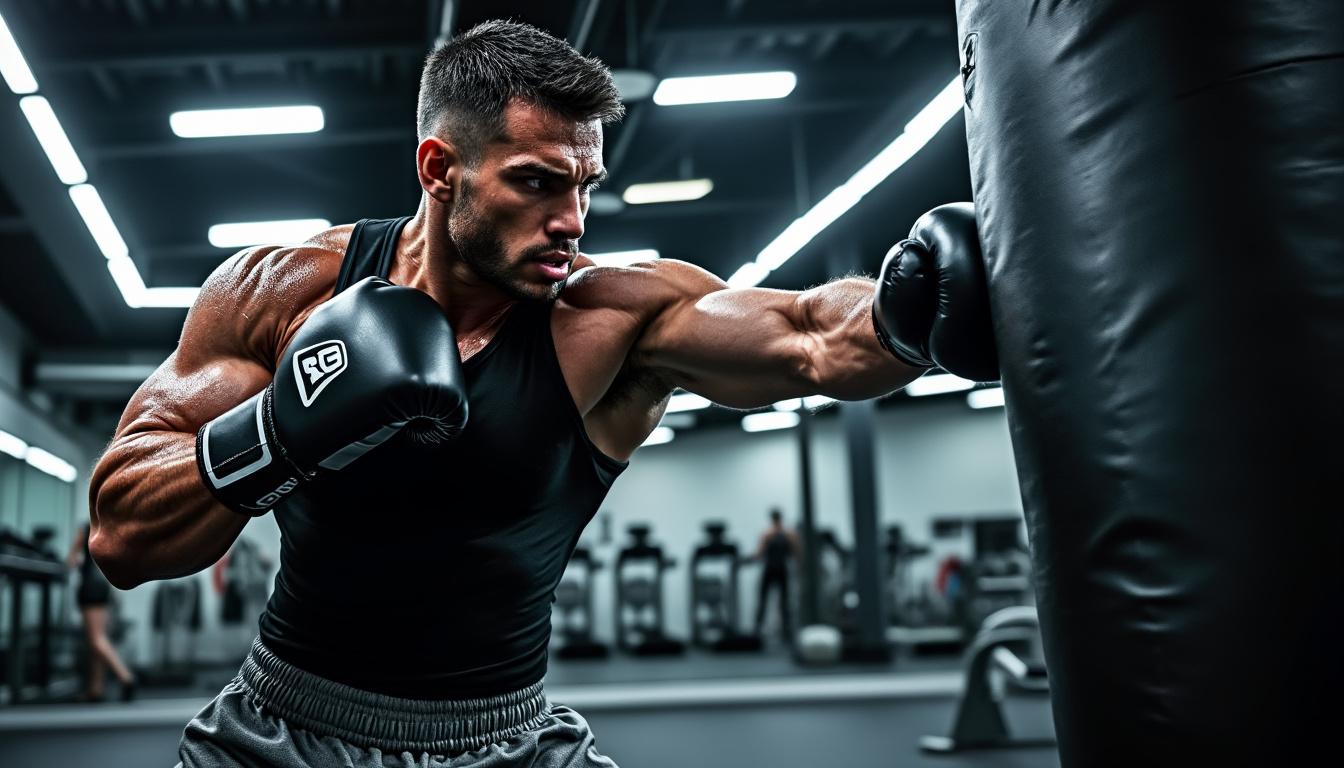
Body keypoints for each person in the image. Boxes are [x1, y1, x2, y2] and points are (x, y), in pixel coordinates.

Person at [86, 20, 988, 768]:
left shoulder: (610, 317)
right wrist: (283, 430)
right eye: (535, 183)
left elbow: (807, 336)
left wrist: (910, 310)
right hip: (283, 734)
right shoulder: (284, 293)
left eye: (585, 185)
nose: (572, 220)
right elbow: (120, 535)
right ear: (441, 170)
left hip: (507, 743)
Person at [64, 524, 136, 702]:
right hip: (104, 584)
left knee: (96, 639)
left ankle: (126, 677)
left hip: (90, 585)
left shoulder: (85, 527)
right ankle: (96, 690)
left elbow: (71, 561)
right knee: (98, 639)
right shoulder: (109, 526)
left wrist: (75, 562)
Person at [752, 508, 801, 644]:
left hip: (774, 569)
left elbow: (759, 553)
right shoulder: (786, 534)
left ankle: (783, 631)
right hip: (778, 569)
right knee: (770, 600)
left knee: (779, 601)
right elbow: (797, 553)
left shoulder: (769, 534)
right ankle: (762, 629)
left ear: (772, 519)